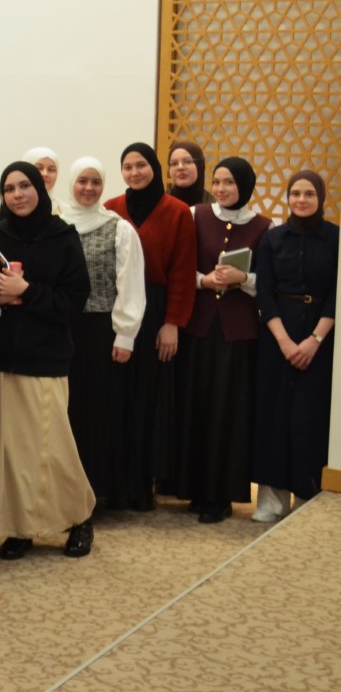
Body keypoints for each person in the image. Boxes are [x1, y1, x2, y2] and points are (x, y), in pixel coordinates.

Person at [0, 162, 95, 559]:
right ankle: (20, 527)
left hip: (45, 358)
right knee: (11, 452)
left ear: (40, 190)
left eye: (25, 186)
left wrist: (26, 290)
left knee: (52, 448)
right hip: (1, 360)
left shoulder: (63, 236)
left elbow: (73, 302)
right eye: (9, 188)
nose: (17, 195)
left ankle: (80, 517)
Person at [104, 143, 196, 509]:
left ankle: (142, 485)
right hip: (119, 310)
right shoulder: (111, 208)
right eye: (127, 166)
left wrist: (172, 323)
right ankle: (113, 483)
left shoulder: (176, 211)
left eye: (141, 165)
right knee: (118, 397)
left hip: (156, 310)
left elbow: (183, 272)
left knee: (148, 398)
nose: (134, 172)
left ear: (154, 168)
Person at [182, 158, 271, 522]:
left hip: (238, 332)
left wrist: (243, 279)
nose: (221, 189)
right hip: (199, 327)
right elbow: (180, 268)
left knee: (227, 411)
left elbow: (271, 283)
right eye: (217, 181)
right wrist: (204, 280)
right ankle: (193, 488)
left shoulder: (264, 226)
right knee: (197, 404)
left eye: (230, 182)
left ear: (245, 185)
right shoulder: (196, 215)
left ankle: (219, 495)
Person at [252, 172, 336, 518]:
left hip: (321, 339)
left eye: (309, 194)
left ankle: (306, 497)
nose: (301, 200)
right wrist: (286, 343)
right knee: (273, 416)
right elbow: (264, 293)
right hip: (277, 338)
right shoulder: (272, 239)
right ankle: (271, 501)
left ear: (321, 197)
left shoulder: (336, 238)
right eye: (296, 193)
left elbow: (337, 295)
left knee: (309, 417)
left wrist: (314, 341)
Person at [62, 157, 144, 509]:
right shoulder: (57, 224)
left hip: (100, 331)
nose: (89, 188)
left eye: (96, 182)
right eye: (82, 181)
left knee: (97, 413)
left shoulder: (119, 228)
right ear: (71, 183)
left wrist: (125, 334)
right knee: (63, 411)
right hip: (61, 329)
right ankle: (64, 494)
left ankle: (99, 492)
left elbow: (130, 284)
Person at [167, 141, 207, 208]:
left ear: (199, 166)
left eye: (187, 162)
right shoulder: (159, 203)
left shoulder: (215, 206)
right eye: (174, 163)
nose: (180, 167)